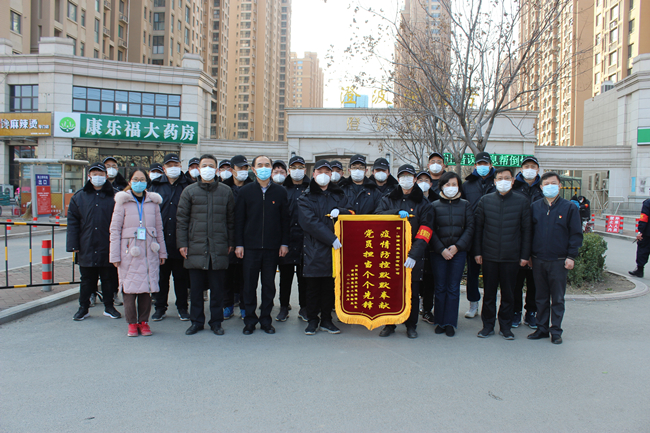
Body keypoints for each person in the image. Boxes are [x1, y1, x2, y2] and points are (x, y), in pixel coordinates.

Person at [176, 154, 235, 335]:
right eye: (204, 166)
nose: (207, 169)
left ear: (216, 170)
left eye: (211, 166)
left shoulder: (226, 191)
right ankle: (196, 322)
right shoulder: (189, 191)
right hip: (195, 246)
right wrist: (182, 243)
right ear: (198, 169)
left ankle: (216, 322)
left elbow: (231, 220)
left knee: (217, 289)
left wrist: (230, 241)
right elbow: (182, 220)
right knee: (196, 290)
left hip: (218, 246)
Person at [376, 164, 433, 339]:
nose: (406, 179)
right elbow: (377, 217)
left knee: (412, 292)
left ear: (415, 179)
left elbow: (426, 230)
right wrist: (395, 213)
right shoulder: (388, 198)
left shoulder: (423, 203)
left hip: (413, 255)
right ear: (398, 179)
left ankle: (411, 325)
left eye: (409, 176)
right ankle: (389, 324)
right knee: (389, 289)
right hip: (390, 253)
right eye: (402, 176)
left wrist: (414, 255)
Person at [474, 167, 531, 340]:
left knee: (509, 294)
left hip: (511, 257)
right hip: (489, 255)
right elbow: (478, 229)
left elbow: (526, 231)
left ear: (513, 181)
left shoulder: (522, 201)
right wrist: (478, 252)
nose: (503, 181)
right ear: (494, 181)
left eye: (507, 178)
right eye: (500, 178)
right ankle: (487, 326)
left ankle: (506, 327)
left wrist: (524, 255)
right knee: (489, 294)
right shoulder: (485, 201)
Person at [236, 156, 290, 335]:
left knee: (268, 286)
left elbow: (285, 220)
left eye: (267, 165)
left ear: (272, 168)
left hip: (272, 248)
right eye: (260, 165)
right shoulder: (245, 191)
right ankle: (250, 320)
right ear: (253, 169)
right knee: (249, 286)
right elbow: (239, 220)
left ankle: (266, 320)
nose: (264, 168)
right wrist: (239, 244)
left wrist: (284, 243)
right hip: (250, 248)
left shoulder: (280, 192)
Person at [109, 169, 167, 337]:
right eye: (135, 179)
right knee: (129, 289)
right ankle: (132, 323)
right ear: (130, 182)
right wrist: (115, 256)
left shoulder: (153, 202)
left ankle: (144, 322)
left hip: (149, 252)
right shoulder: (122, 201)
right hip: (129, 252)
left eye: (142, 179)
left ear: (146, 182)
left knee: (146, 289)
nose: (139, 182)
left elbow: (159, 229)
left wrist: (162, 252)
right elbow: (115, 229)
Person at [298, 160, 353, 335]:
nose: (323, 175)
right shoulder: (305, 197)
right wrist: (331, 238)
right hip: (314, 249)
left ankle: (327, 320)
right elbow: (309, 222)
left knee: (329, 287)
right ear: (313, 174)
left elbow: (352, 213)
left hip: (335, 250)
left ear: (331, 175)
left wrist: (342, 212)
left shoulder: (339, 195)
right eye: (320, 171)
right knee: (313, 287)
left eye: (327, 172)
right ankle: (312, 320)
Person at [528, 172, 583, 344]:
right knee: (540, 297)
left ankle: (556, 330)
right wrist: (529, 255)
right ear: (541, 187)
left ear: (559, 186)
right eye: (546, 184)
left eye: (553, 183)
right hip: (538, 259)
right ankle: (541, 328)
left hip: (559, 261)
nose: (550, 186)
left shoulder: (569, 208)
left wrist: (571, 256)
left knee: (557, 298)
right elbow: (529, 233)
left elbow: (576, 234)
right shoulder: (535, 207)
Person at [67, 162, 121, 321]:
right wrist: (73, 245)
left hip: (108, 245)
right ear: (89, 176)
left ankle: (109, 307)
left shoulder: (116, 196)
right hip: (87, 245)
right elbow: (73, 222)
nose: (98, 177)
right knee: (86, 280)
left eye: (101, 174)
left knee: (108, 279)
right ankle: (83, 308)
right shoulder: (79, 196)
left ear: (106, 176)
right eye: (94, 174)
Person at [429, 172, 474, 336]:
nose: (451, 188)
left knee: (453, 287)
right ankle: (439, 321)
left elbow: (470, 228)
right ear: (441, 186)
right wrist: (441, 249)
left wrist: (457, 247)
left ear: (459, 186)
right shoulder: (434, 205)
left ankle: (450, 322)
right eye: (447, 184)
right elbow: (430, 229)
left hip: (458, 253)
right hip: (438, 253)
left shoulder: (465, 205)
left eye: (454, 184)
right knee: (440, 287)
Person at [148, 153, 191, 322]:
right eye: (169, 165)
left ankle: (182, 307)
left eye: (176, 164)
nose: (173, 168)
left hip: (181, 240)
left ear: (180, 166)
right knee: (161, 277)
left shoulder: (188, 185)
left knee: (181, 277)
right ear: (164, 168)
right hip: (161, 240)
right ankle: (160, 307)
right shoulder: (155, 186)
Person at [461, 151, 496, 319]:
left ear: (490, 165)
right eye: (479, 164)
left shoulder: (497, 182)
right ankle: (473, 303)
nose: (482, 167)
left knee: (491, 274)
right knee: (473, 273)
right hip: (473, 234)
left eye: (485, 164)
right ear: (475, 166)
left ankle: (489, 306)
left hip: (493, 233)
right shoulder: (467, 185)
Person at [277, 155, 310, 322]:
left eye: (300, 167)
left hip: (306, 240)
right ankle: (284, 306)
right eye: (294, 167)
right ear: (289, 170)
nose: (297, 170)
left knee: (304, 278)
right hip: (287, 240)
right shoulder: (282, 189)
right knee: (285, 276)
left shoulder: (311, 189)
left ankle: (304, 307)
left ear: (305, 170)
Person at [512, 156, 543, 329]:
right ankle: (515, 311)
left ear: (538, 169)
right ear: (521, 169)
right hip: (516, 242)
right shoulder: (514, 187)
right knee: (516, 281)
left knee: (534, 282)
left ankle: (531, 311)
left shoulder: (543, 188)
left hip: (538, 242)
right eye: (526, 166)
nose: (529, 169)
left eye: (533, 166)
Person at [221, 155, 253, 319]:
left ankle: (244, 306)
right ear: (232, 169)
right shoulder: (223, 188)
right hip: (227, 237)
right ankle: (227, 305)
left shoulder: (252, 187)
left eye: (245, 168)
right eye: (240, 168)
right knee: (227, 275)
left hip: (247, 238)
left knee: (245, 276)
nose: (243, 171)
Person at [416, 171, 439, 324]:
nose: (423, 183)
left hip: (431, 246)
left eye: (426, 180)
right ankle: (414, 308)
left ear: (431, 184)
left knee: (430, 280)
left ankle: (427, 310)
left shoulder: (436, 201)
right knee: (416, 281)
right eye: (420, 180)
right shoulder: (412, 199)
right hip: (415, 246)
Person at [630, 198, 650, 278]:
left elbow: (644, 218)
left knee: (643, 251)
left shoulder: (648, 203)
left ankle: (640, 270)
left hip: (647, 233)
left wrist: (640, 231)